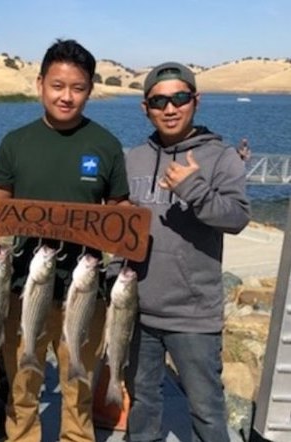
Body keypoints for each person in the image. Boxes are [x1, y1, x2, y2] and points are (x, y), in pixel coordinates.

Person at [0, 39, 130, 442]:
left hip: (85, 290)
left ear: (90, 90)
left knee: (79, 388)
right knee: (22, 389)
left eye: (77, 88)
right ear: (40, 84)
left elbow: (119, 215)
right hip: (22, 287)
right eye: (57, 86)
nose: (66, 97)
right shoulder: (16, 143)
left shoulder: (106, 145)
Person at [124, 61, 250, 442]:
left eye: (180, 98)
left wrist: (194, 189)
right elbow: (117, 227)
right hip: (138, 311)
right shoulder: (133, 159)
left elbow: (237, 217)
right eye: (159, 101)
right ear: (146, 108)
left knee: (207, 412)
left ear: (196, 101)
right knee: (143, 403)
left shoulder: (221, 156)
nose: (170, 108)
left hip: (194, 314)